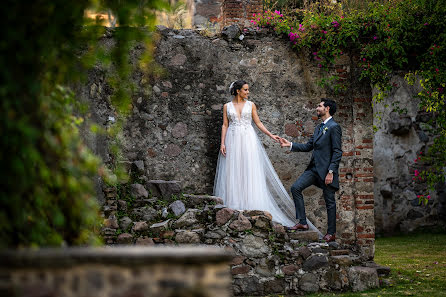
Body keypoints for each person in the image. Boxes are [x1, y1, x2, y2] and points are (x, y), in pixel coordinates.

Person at [213, 80, 320, 235]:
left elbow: (258, 123)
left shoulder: (251, 105)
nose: (248, 92)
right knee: (233, 170)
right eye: (245, 90)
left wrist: (270, 135)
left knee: (249, 169)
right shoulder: (227, 107)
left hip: (248, 140)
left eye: (248, 90)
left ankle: (250, 204)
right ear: (237, 91)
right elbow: (225, 125)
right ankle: (234, 204)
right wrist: (222, 143)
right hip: (232, 139)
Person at [279, 99, 342, 242]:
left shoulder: (334, 127)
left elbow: (337, 151)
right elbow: (308, 146)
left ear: (327, 108)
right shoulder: (319, 127)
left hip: (326, 172)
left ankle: (331, 233)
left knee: (330, 202)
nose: (317, 108)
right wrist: (290, 145)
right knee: (296, 187)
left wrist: (331, 172)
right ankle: (302, 222)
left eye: (319, 106)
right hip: (313, 169)